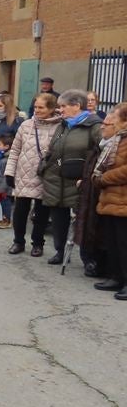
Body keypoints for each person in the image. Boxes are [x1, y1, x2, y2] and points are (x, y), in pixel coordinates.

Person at [39, 89, 103, 264]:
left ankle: (87, 257)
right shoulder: (63, 124)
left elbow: (101, 153)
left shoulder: (94, 126)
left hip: (79, 181)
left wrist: (88, 176)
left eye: (63, 106)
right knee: (59, 219)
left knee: (84, 220)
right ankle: (60, 251)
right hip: (56, 179)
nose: (60, 110)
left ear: (77, 106)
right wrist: (45, 166)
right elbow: (53, 148)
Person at [3, 93, 63, 256]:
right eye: (35, 107)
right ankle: (18, 241)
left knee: (41, 213)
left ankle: (38, 243)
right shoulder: (26, 125)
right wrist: (9, 172)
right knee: (20, 210)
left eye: (41, 107)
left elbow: (62, 154)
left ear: (51, 108)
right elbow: (15, 150)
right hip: (24, 173)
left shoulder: (61, 127)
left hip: (46, 175)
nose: (37, 110)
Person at [92, 103, 127, 299]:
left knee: (124, 243)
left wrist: (104, 178)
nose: (111, 119)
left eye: (116, 116)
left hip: (123, 200)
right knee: (112, 241)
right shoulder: (118, 139)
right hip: (111, 199)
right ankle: (116, 277)